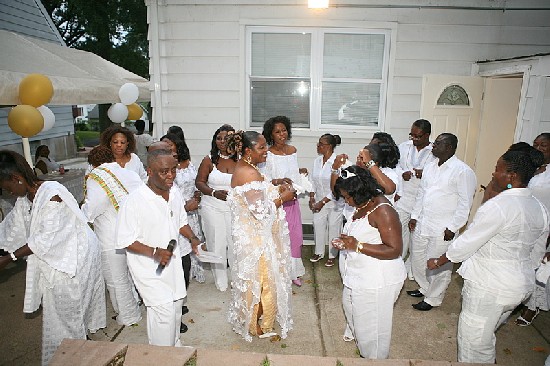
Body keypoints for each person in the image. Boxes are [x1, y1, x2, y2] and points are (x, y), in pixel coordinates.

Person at [427, 147, 549, 364]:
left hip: (490, 286)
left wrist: (439, 260)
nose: (493, 174)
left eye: (497, 169)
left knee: (474, 345)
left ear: (512, 176)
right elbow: (538, 250)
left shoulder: (500, 206)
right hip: (520, 286)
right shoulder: (539, 207)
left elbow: (467, 243)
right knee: (486, 333)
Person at [0, 150, 105, 365]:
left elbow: (44, 239)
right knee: (60, 313)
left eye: (6, 188)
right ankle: (72, 347)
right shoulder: (25, 198)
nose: (7, 193)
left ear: (16, 178)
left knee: (69, 310)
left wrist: (9, 258)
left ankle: (74, 353)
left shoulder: (51, 195)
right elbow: (11, 228)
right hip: (59, 256)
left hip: (75, 258)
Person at [116, 147, 202, 347]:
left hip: (172, 264)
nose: (170, 175)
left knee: (176, 306)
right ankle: (162, 356)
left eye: (174, 169)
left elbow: (181, 222)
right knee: (163, 313)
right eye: (164, 171)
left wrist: (194, 239)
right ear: (149, 171)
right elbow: (124, 240)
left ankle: (174, 349)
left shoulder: (174, 192)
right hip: (148, 268)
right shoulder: (134, 201)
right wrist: (154, 253)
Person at [226, 130, 295, 341]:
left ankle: (255, 319)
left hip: (254, 235)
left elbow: (257, 195)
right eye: (262, 147)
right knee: (261, 279)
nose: (266, 151)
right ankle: (257, 323)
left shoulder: (248, 167)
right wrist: (284, 198)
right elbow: (260, 211)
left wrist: (274, 188)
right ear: (248, 151)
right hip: (256, 240)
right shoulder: (249, 172)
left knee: (257, 278)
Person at [331, 165, 406, 359]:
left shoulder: (383, 211)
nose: (346, 201)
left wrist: (357, 245)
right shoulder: (361, 204)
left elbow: (394, 249)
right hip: (359, 274)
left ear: (361, 190)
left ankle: (375, 359)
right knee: (350, 308)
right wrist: (346, 242)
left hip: (378, 280)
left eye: (348, 197)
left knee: (373, 331)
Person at [408, 133, 477, 311]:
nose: (433, 146)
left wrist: (453, 227)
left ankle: (433, 298)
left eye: (438, 144)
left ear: (449, 147)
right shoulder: (430, 166)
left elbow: (465, 203)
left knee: (439, 264)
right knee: (418, 258)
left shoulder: (463, 171)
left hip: (443, 227)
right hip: (423, 222)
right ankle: (424, 287)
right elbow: (421, 193)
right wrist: (415, 216)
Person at [81, 146, 143, 326]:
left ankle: (129, 315)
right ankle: (136, 303)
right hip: (133, 232)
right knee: (132, 273)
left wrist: (82, 209)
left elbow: (92, 209)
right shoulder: (129, 174)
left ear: (93, 164)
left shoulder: (97, 177)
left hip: (111, 235)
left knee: (117, 278)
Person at [160, 133, 204, 333]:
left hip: (183, 239)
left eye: (174, 153)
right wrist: (186, 208)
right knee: (169, 278)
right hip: (166, 240)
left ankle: (178, 306)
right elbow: (166, 213)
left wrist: (193, 238)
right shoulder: (155, 183)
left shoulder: (176, 178)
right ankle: (172, 319)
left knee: (184, 273)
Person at [262, 116, 307, 286]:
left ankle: (294, 273)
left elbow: (294, 173)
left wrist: (300, 173)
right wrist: (279, 181)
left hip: (293, 202)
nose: (282, 134)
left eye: (284, 130)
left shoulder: (293, 150)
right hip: (279, 202)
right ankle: (280, 273)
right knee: (280, 239)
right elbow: (265, 180)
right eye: (277, 132)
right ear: (270, 135)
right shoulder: (268, 154)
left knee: (296, 237)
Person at [195, 124, 237, 292]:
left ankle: (236, 278)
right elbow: (199, 182)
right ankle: (221, 280)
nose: (221, 141)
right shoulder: (209, 160)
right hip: (212, 206)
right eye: (218, 138)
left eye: (225, 138)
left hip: (234, 208)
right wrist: (213, 192)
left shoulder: (241, 159)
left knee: (235, 243)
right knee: (216, 242)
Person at [394, 119, 437, 280]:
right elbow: (396, 166)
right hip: (404, 196)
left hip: (422, 201)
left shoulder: (435, 150)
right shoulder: (404, 146)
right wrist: (402, 173)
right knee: (400, 231)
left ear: (427, 135)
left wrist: (423, 172)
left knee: (417, 236)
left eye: (418, 136)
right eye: (412, 135)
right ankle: (397, 263)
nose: (414, 139)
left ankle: (412, 270)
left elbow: (438, 174)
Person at [515, 132, 550, 326]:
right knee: (520, 262)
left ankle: (532, 307)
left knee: (535, 266)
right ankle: (520, 297)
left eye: (543, 145)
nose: (537, 148)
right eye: (535, 144)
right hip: (523, 224)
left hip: (543, 228)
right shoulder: (530, 168)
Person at [309, 133, 344, 268]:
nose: (318, 146)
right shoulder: (317, 161)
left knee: (334, 228)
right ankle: (319, 252)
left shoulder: (337, 161)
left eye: (321, 144)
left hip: (334, 202)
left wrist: (322, 202)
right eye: (318, 143)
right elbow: (312, 180)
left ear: (329, 146)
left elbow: (336, 186)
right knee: (318, 225)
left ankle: (332, 255)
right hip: (318, 201)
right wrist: (312, 197)